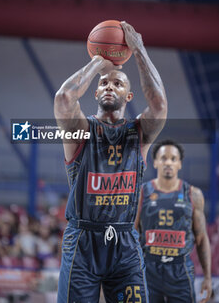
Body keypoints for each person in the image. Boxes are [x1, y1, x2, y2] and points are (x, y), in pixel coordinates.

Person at [54, 21, 167, 303]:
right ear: (95, 92)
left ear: (128, 96)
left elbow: (159, 106)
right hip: (82, 240)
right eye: (104, 83)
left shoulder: (139, 133)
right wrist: (98, 61)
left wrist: (138, 50)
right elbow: (65, 97)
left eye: (118, 83)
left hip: (125, 242)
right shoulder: (80, 130)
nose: (109, 86)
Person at [135, 140, 212, 303]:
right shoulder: (141, 193)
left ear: (180, 164)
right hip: (148, 270)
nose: (168, 162)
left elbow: (201, 238)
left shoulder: (193, 194)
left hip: (181, 271)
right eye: (163, 158)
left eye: (173, 159)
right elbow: (132, 235)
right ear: (155, 162)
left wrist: (207, 276)